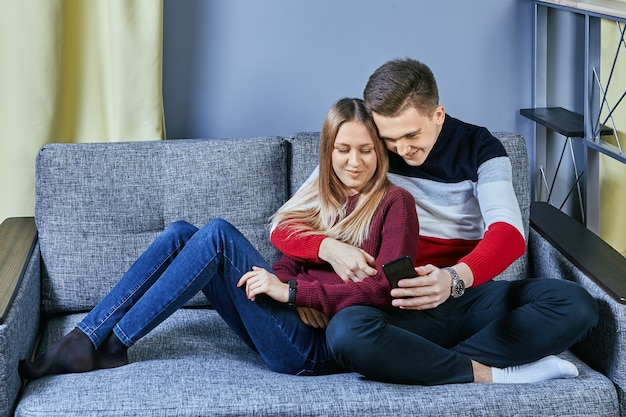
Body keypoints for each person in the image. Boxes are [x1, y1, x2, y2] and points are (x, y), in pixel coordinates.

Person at [18, 97, 419, 380]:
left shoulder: (395, 203)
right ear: (328, 151)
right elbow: (287, 257)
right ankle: (87, 336)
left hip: (313, 351)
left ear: (380, 153)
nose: (354, 161)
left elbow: (384, 291)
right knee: (180, 234)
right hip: (288, 323)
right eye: (344, 149)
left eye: (366, 150)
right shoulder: (325, 198)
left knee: (216, 235)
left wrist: (297, 294)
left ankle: (113, 346)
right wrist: (286, 286)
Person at [271, 58, 599, 385]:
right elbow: (284, 225)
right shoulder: (368, 149)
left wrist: (453, 279)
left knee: (575, 304)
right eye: (390, 139)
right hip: (392, 306)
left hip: (462, 297)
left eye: (411, 134)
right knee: (346, 332)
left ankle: (415, 360)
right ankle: (492, 373)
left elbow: (509, 233)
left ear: (437, 114)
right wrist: (327, 248)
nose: (401, 148)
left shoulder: (481, 149)